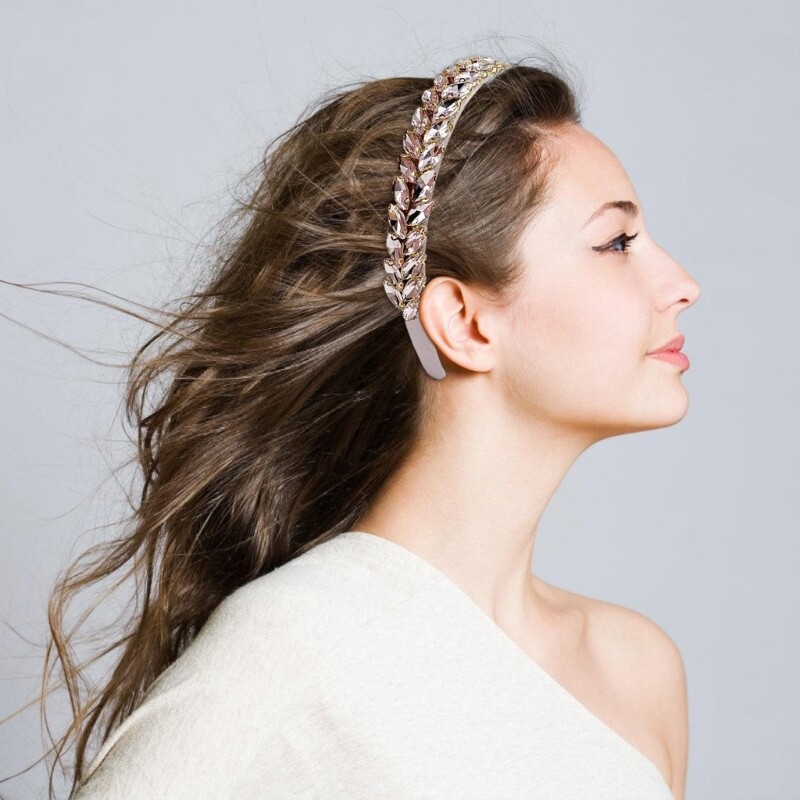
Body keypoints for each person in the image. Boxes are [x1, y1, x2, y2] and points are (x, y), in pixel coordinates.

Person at [16, 52, 699, 800]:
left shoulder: (637, 670)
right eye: (617, 244)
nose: (682, 285)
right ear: (463, 322)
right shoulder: (287, 652)